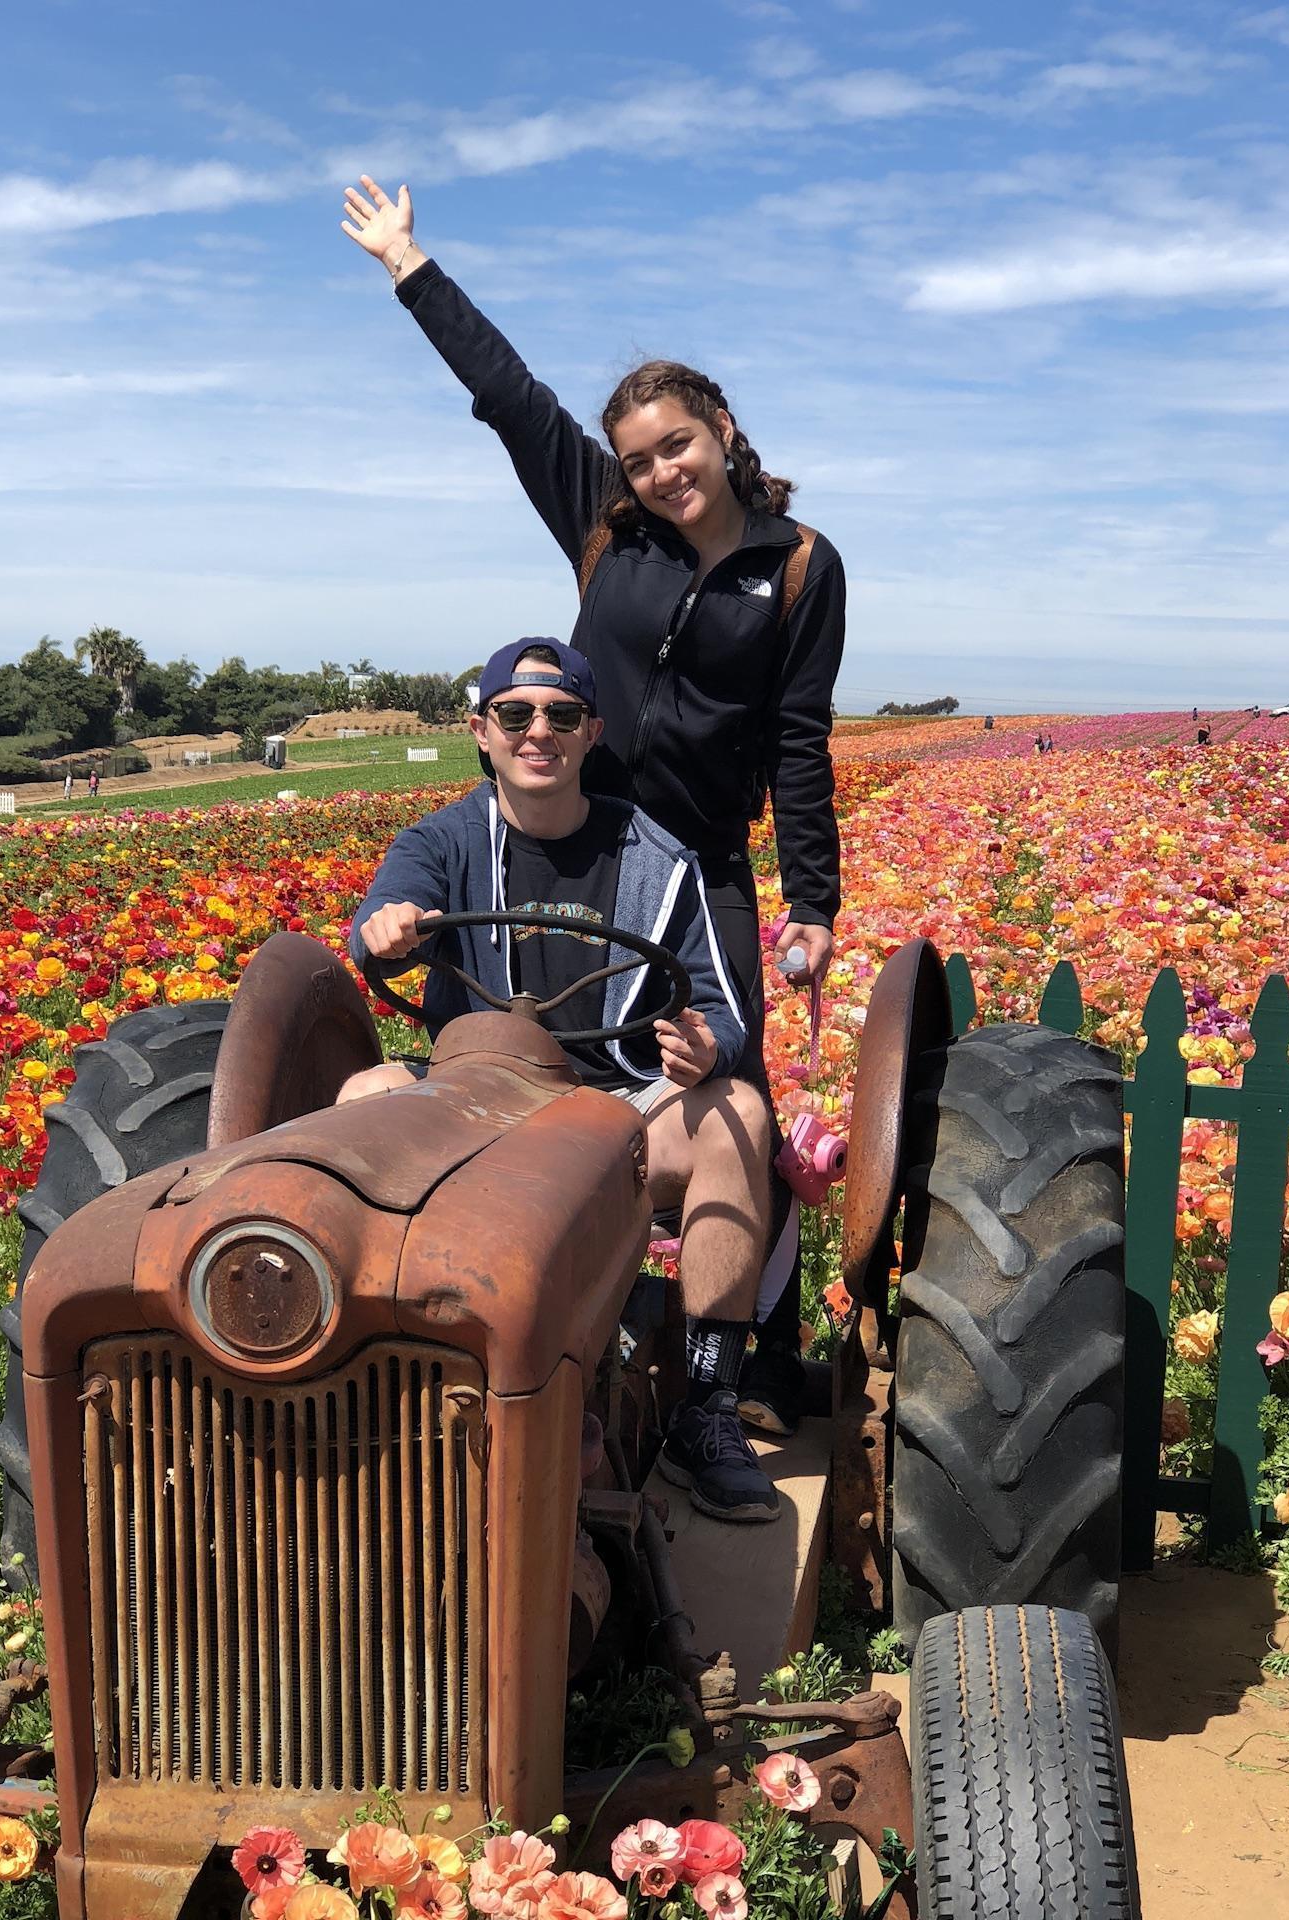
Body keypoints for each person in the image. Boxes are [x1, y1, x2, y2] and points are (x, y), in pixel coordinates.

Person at [341, 173, 846, 1437]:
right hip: (576, 824)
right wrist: (410, 268)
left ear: (720, 429)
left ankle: (744, 1367)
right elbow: (509, 400)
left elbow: (796, 737)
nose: (661, 472)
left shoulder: (796, 567)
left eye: (676, 445)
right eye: (638, 458)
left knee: (727, 1080)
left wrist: (812, 900)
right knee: (533, 1058)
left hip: (695, 859)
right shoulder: (605, 528)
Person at [346, 639, 782, 1523]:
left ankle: (706, 1403)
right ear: (482, 731)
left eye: (561, 715)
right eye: (515, 713)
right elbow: (380, 922)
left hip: (615, 1110)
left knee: (736, 1112)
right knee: (361, 1101)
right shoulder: (442, 841)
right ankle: (370, 1387)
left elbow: (721, 1008)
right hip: (472, 1096)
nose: (537, 732)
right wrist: (385, 930)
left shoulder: (658, 856)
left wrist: (708, 1047)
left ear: (592, 732)